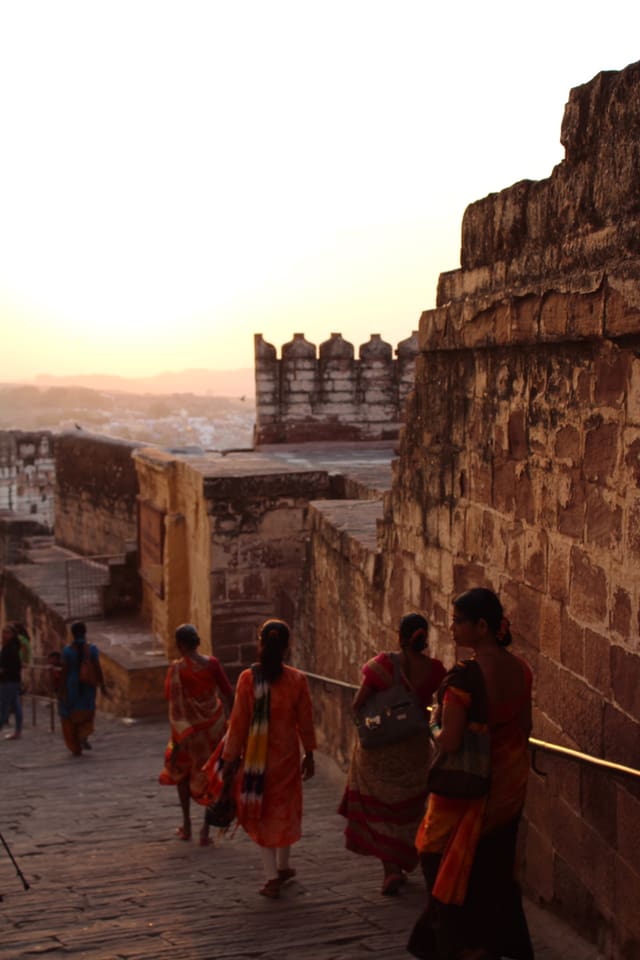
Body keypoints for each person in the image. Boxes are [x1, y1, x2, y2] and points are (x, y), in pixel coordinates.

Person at [408, 588, 534, 960]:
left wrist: (432, 723)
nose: (451, 627)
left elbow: (448, 742)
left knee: (439, 858)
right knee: (494, 872)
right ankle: (491, 945)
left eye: (459, 620)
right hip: (509, 787)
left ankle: (465, 947)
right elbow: (524, 728)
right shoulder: (522, 670)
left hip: (468, 790)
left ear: (482, 626)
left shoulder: (465, 679)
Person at [338, 613, 446, 896]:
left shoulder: (383, 666)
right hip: (414, 749)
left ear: (400, 636)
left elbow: (358, 703)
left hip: (382, 752)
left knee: (383, 809)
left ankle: (391, 871)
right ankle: (407, 857)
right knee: (409, 808)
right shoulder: (435, 670)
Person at [212, 618, 316, 899]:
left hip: (257, 763)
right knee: (285, 810)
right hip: (287, 759)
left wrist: (229, 759)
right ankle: (283, 866)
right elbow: (305, 721)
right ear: (286, 647)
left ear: (260, 644)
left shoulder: (249, 680)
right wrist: (310, 753)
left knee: (263, 814)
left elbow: (239, 724)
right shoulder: (297, 680)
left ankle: (273, 875)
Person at [159, 623, 233, 846]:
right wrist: (232, 721)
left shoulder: (177, 669)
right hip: (213, 727)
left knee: (182, 772)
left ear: (179, 645)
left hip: (187, 732)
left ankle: (187, 824)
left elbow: (169, 697)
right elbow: (228, 693)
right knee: (211, 774)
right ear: (197, 642)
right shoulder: (212, 664)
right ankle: (205, 830)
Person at [58, 621, 108, 757]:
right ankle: (83, 734)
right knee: (87, 711)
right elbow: (97, 668)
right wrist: (102, 685)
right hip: (88, 686)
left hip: (73, 684)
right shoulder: (91, 649)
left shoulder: (68, 651)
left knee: (70, 714)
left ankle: (75, 743)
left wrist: (61, 689)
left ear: (72, 634)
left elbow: (64, 671)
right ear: (85, 632)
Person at [0, 623, 23, 740]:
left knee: (4, 706)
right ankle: (18, 731)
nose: (4, 634)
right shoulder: (9, 646)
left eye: (7, 632)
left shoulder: (11, 648)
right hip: (11, 680)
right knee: (15, 705)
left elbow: (14, 666)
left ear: (13, 634)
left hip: (9, 680)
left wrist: (3, 670)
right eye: (3, 632)